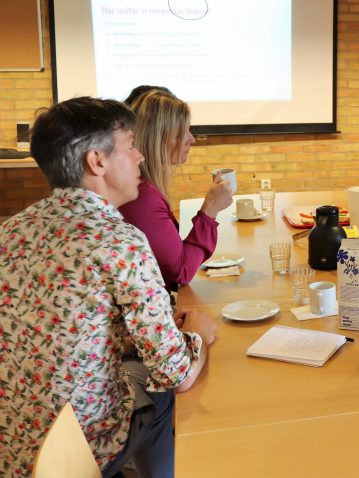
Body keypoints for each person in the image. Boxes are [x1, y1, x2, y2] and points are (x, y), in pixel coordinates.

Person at [0, 96, 217, 477]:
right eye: (130, 146)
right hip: (73, 454)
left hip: (13, 446)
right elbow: (176, 374)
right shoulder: (120, 241)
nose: (140, 157)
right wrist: (197, 335)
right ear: (96, 161)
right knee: (162, 394)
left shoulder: (10, 231)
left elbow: (54, 326)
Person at [119, 91, 233, 291]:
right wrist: (210, 210)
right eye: (182, 132)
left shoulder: (143, 187)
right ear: (157, 138)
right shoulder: (141, 196)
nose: (192, 139)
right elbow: (180, 272)